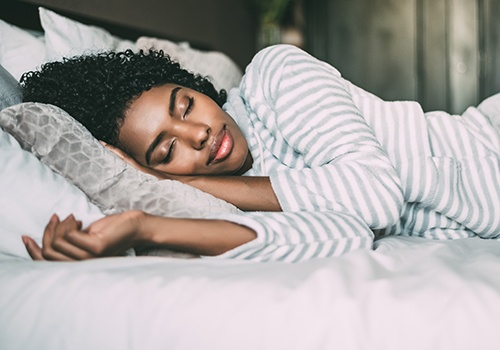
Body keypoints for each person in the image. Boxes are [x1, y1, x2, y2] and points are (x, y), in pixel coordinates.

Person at [20, 45, 500, 263]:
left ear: (196, 86)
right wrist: (145, 225)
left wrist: (177, 180)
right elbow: (342, 235)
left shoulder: (276, 75)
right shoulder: (239, 194)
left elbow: (376, 195)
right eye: (168, 151)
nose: (198, 134)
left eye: (185, 104)